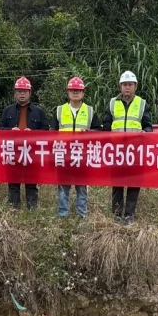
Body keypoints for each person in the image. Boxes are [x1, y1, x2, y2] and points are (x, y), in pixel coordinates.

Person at [102, 70, 153, 225]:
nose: (127, 87)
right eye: (124, 84)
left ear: (135, 86)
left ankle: (129, 214)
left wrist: (146, 132)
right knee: (117, 183)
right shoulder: (112, 103)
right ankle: (117, 214)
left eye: (130, 84)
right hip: (117, 150)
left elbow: (148, 126)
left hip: (135, 151)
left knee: (133, 182)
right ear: (120, 86)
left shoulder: (142, 104)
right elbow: (106, 127)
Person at [50, 76, 102, 217]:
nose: (75, 93)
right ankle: (63, 214)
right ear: (68, 92)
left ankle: (81, 215)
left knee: (82, 186)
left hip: (82, 154)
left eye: (78, 90)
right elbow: (52, 132)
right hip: (64, 154)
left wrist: (89, 133)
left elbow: (98, 132)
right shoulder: (60, 110)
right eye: (72, 90)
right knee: (63, 186)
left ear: (83, 93)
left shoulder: (90, 111)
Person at [0, 76, 50, 209]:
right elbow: (0, 129)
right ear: (15, 93)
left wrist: (33, 132)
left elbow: (46, 131)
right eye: (19, 91)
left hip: (31, 152)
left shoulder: (39, 112)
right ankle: (14, 209)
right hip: (13, 151)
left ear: (30, 93)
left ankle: (32, 210)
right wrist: (10, 130)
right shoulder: (8, 111)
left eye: (25, 91)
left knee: (31, 182)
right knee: (13, 183)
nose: (22, 94)